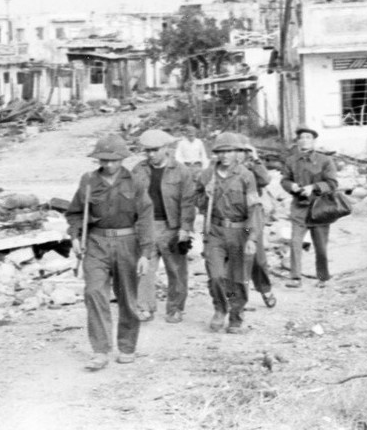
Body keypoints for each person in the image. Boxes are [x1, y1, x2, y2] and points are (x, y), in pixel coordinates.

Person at [66, 134, 154, 371]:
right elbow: (75, 213)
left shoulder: (135, 182)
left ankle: (127, 346)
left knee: (127, 297)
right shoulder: (88, 181)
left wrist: (145, 253)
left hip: (128, 243)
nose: (108, 164)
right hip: (96, 242)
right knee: (93, 292)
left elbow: (145, 218)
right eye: (103, 160)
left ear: (123, 159)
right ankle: (100, 350)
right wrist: (75, 236)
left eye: (113, 160)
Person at [195, 132, 263, 334]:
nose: (225, 156)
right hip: (215, 231)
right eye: (221, 152)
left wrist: (251, 237)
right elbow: (197, 202)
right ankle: (220, 308)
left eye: (229, 151)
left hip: (239, 231)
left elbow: (254, 210)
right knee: (215, 275)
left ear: (237, 152)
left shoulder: (246, 176)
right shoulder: (207, 175)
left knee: (238, 278)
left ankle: (236, 315)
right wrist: (205, 195)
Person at [132, 129, 197, 324]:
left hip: (172, 228)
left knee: (176, 270)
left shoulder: (181, 171)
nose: (151, 154)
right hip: (146, 227)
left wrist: (185, 228)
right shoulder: (138, 170)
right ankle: (145, 307)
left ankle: (175, 309)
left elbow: (188, 201)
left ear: (166, 148)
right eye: (147, 151)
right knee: (144, 269)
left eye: (155, 150)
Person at [280, 125, 338, 288]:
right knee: (295, 242)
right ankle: (295, 277)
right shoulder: (291, 161)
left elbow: (332, 183)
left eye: (308, 137)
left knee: (320, 245)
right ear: (297, 141)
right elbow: (284, 180)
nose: (304, 140)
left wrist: (313, 187)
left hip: (320, 208)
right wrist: (291, 186)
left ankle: (323, 277)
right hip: (299, 207)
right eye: (301, 137)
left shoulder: (325, 160)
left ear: (314, 141)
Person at [238, 134, 277, 308]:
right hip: (229, 221)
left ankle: (265, 289)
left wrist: (255, 159)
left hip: (251, 220)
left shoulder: (251, 168)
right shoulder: (222, 169)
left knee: (257, 258)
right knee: (235, 262)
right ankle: (237, 298)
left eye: (243, 150)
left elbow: (265, 180)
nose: (239, 154)